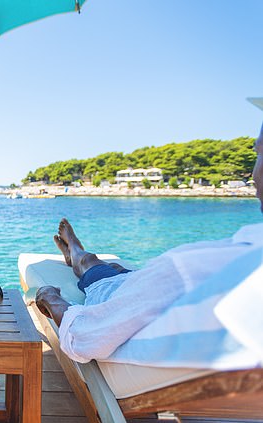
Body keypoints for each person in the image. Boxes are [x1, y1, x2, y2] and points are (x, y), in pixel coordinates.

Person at [36, 98, 263, 363]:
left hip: (127, 294)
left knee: (93, 267)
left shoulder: (187, 270)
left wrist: (49, 296)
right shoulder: (243, 265)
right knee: (116, 269)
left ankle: (77, 252)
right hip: (142, 289)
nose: (252, 173)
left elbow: (82, 336)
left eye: (258, 153)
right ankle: (78, 254)